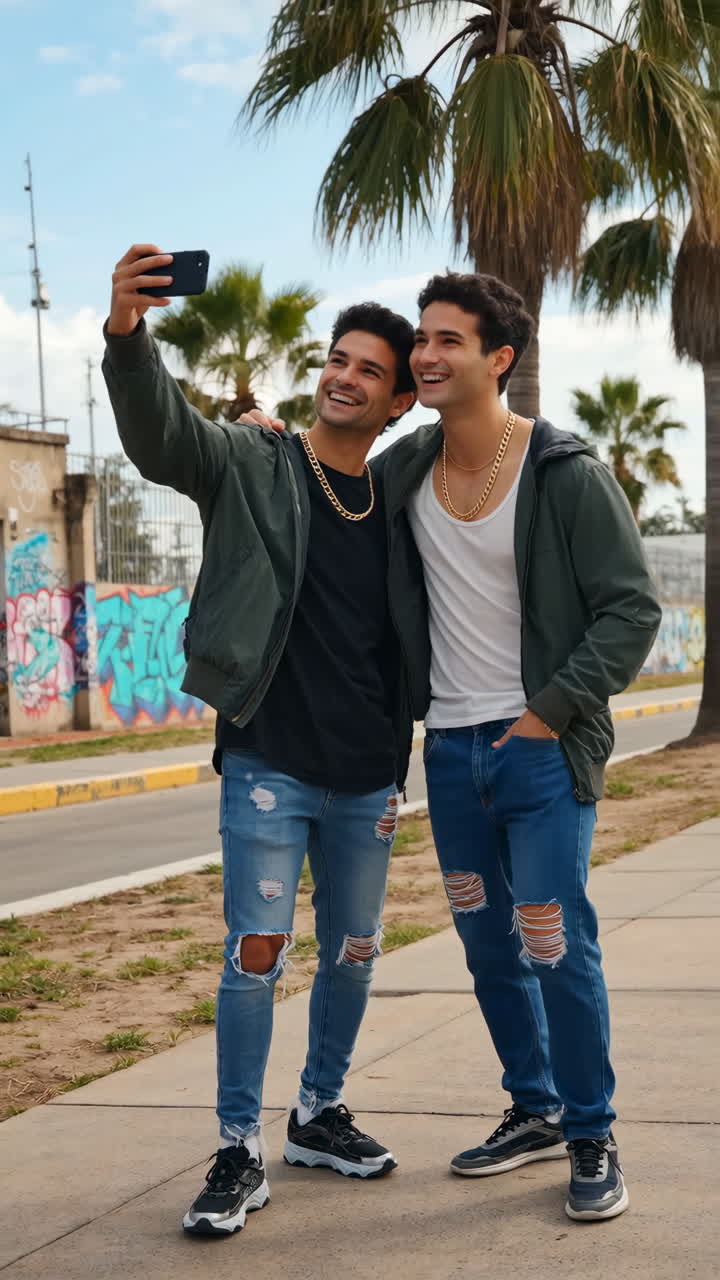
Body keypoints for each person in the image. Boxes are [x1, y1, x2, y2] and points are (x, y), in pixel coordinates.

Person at [102, 245, 430, 1237]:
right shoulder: (254, 462)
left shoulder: (399, 503)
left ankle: (319, 1111)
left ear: (396, 403)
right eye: (337, 357)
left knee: (355, 951)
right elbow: (163, 440)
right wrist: (126, 331)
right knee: (256, 953)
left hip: (370, 770)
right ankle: (238, 1146)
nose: (342, 374)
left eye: (369, 368)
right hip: (267, 761)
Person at [374, 271, 661, 1222]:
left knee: (553, 941)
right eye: (422, 338)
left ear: (498, 358)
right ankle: (534, 1108)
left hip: (540, 751)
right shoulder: (407, 469)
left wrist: (549, 710)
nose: (425, 354)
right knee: (487, 949)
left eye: (448, 339)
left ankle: (591, 1130)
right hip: (450, 753)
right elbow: (322, 484)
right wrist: (262, 432)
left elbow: (630, 611)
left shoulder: (563, 471)